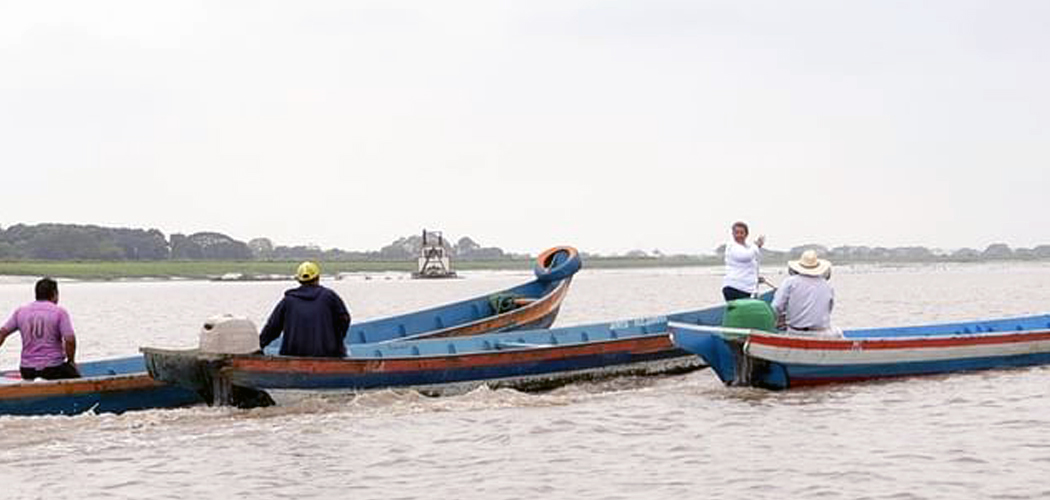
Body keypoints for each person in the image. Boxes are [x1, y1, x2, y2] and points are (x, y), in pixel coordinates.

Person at [259, 261, 351, 357]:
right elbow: (344, 319)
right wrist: (336, 340)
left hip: (292, 357)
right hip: (328, 355)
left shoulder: (287, 301)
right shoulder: (329, 296)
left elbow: (272, 328)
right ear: (318, 277)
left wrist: (259, 346)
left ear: (299, 280)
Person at [0, 278, 80, 380]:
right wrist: (71, 361)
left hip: (27, 370)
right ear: (55, 294)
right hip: (53, 369)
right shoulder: (59, 312)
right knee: (76, 375)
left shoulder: (20, 312)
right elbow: (70, 340)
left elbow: (2, 333)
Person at [771, 250, 842, 337]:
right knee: (838, 332)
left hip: (794, 332)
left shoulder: (790, 282)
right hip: (821, 333)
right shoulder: (828, 285)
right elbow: (828, 310)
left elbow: (776, 307)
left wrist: (781, 319)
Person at [722, 221, 765, 301]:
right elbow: (745, 256)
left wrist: (756, 279)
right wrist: (756, 246)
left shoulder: (748, 248)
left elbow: (747, 268)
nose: (739, 235)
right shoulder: (732, 246)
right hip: (734, 287)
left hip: (746, 288)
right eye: (736, 233)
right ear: (733, 234)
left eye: (741, 233)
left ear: (746, 234)